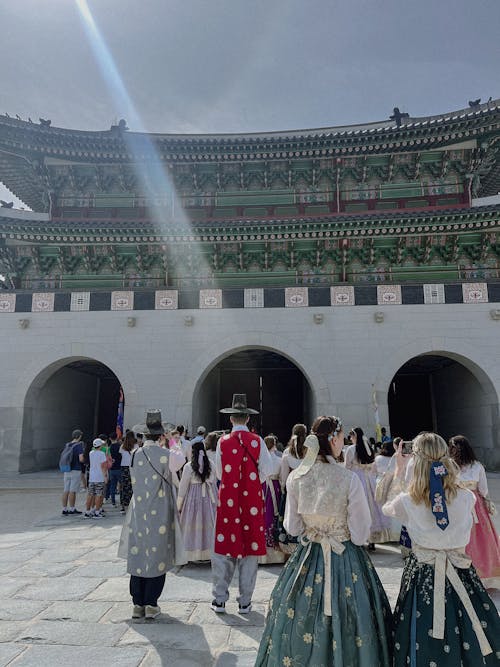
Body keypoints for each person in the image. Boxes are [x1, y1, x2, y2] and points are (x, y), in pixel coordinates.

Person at [255, 416, 392, 666]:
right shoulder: (348, 479)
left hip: (308, 556)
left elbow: (292, 527)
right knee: (354, 617)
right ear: (332, 439)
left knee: (299, 616)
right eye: (340, 438)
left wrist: (314, 529)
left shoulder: (297, 478)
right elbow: (361, 532)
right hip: (345, 557)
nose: (342, 443)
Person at [383, 432, 500, 666]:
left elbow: (386, 507)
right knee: (469, 623)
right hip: (461, 571)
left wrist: (398, 472)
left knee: (421, 627)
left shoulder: (407, 501)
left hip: (423, 573)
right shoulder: (467, 498)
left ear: (416, 461)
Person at [118, 410, 186, 619]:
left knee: (138, 553)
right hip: (160, 508)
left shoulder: (136, 454)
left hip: (138, 508)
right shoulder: (167, 455)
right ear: (160, 435)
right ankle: (151, 604)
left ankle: (137, 604)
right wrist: (173, 442)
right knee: (158, 553)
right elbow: (181, 460)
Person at [211, 393, 274, 614]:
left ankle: (219, 599)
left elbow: (219, 472)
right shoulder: (257, 441)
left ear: (231, 419)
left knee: (224, 548)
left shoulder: (223, 441)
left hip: (228, 500)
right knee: (250, 550)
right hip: (252, 501)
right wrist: (252, 479)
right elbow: (268, 470)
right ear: (247, 419)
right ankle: (245, 602)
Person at [448, 434, 500, 587]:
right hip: (476, 505)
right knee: (482, 540)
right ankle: (485, 575)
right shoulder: (477, 466)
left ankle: (463, 576)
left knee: (462, 538)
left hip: (457, 504)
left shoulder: (450, 465)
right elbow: (483, 490)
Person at [345, 426, 391, 549]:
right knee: (372, 507)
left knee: (358, 507)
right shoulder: (368, 448)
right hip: (369, 480)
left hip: (357, 479)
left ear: (355, 436)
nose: (350, 438)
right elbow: (373, 466)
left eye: (351, 435)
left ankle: (360, 536)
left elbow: (347, 467)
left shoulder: (351, 449)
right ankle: (372, 540)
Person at [177, 439, 217, 561]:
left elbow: (183, 486)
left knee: (192, 523)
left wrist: (179, 504)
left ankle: (193, 553)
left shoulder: (189, 466)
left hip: (193, 498)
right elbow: (214, 482)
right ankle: (210, 552)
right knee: (209, 523)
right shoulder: (211, 463)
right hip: (209, 498)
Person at [275, 423, 307, 555]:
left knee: (291, 514)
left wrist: (283, 487)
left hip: (292, 488)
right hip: (306, 488)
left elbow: (283, 474)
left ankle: (291, 543)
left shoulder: (287, 452)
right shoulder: (309, 451)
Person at [259, 435, 286, 564]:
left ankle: (262, 552)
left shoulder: (261, 460)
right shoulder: (278, 460)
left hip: (263, 488)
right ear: (274, 445)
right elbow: (281, 478)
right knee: (275, 516)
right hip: (275, 488)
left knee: (263, 515)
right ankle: (277, 552)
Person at [83, 438, 108, 519]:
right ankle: (97, 512)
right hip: (99, 477)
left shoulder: (91, 453)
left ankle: (87, 511)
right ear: (100, 446)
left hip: (92, 478)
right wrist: (105, 476)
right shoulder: (102, 454)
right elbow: (103, 467)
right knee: (98, 495)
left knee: (90, 494)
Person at [61, 429, 84, 515]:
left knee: (66, 490)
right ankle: (72, 508)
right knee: (72, 490)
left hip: (67, 469)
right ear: (79, 436)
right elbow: (81, 459)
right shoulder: (79, 445)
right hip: (76, 469)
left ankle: (64, 508)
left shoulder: (67, 445)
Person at [119, 431, 137, 514]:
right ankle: (133, 505)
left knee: (124, 487)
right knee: (133, 486)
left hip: (124, 468)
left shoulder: (122, 446)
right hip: (133, 467)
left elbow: (121, 455)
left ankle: (124, 506)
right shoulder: (136, 446)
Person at [105, 432, 122, 507]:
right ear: (117, 437)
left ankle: (113, 502)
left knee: (112, 485)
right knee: (121, 485)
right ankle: (122, 500)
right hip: (119, 468)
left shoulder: (109, 448)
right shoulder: (120, 446)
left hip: (111, 469)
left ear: (110, 439)